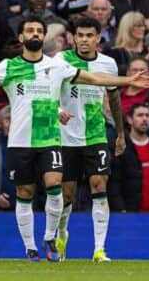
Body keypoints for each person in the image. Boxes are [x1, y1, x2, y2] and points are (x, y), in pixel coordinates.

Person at [0, 15, 149, 262]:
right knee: (29, 192)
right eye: (30, 31)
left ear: (43, 37)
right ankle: (32, 248)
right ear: (22, 37)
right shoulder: (11, 66)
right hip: (23, 140)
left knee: (61, 186)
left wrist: (127, 80)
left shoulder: (58, 65)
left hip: (54, 138)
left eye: (38, 31)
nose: (34, 34)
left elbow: (95, 79)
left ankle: (59, 240)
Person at [55, 17, 126, 262]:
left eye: (89, 35)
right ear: (74, 38)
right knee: (66, 193)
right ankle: (61, 235)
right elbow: (47, 91)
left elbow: (114, 99)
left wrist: (120, 133)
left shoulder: (108, 64)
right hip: (66, 137)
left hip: (95, 134)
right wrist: (56, 112)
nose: (84, 40)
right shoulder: (61, 60)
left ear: (98, 38)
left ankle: (99, 249)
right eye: (80, 35)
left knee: (99, 185)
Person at [108, 102, 149, 212]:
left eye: (147, 115)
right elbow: (114, 182)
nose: (144, 119)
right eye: (140, 115)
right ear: (130, 120)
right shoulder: (120, 147)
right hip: (130, 212)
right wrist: (120, 208)